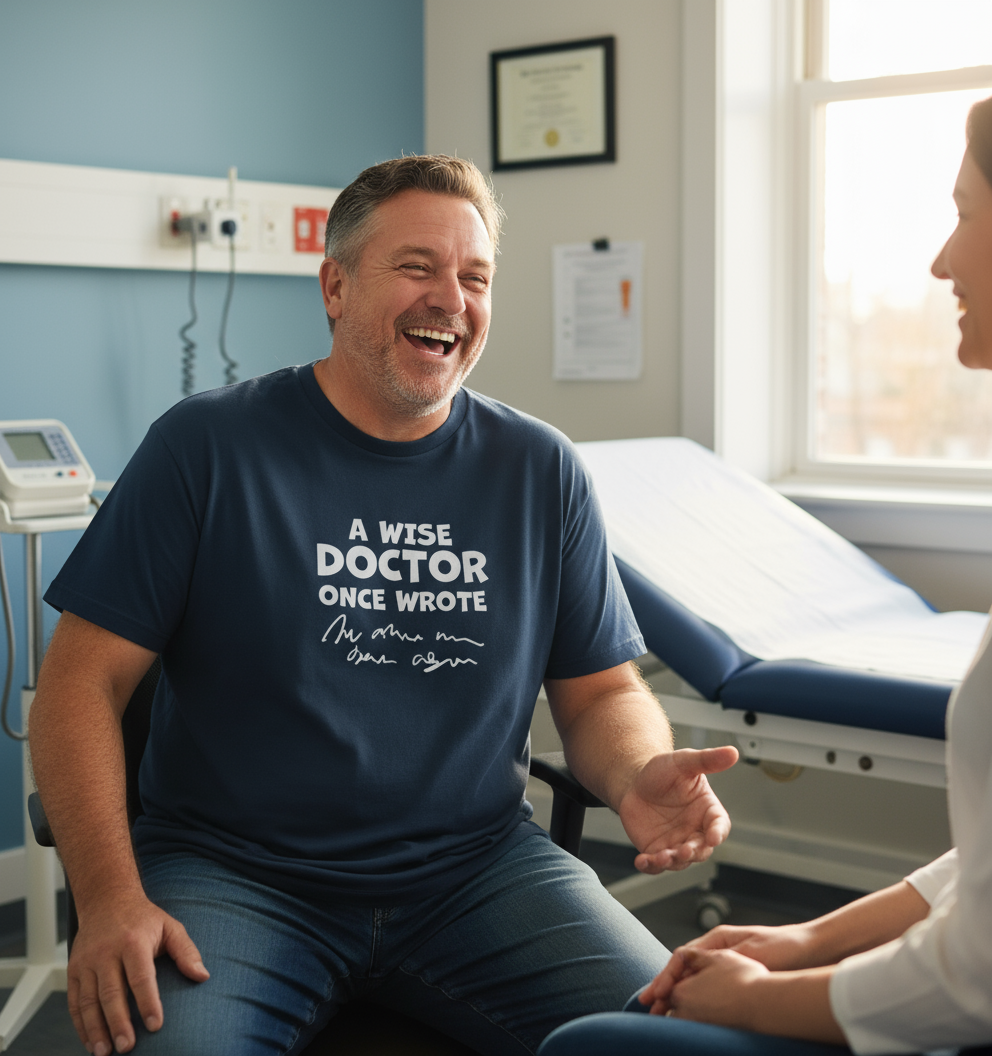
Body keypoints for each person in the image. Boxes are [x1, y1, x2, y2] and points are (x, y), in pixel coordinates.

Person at [28, 154, 740, 1056]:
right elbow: (78, 687)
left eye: (474, 276)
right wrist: (109, 899)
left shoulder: (539, 469)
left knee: (687, 1038)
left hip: (479, 873)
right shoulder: (206, 449)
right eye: (417, 267)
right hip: (236, 876)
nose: (451, 297)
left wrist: (639, 772)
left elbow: (601, 693)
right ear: (335, 285)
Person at [537, 97, 992, 1056]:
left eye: (964, 211)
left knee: (594, 1046)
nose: (941, 259)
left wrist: (757, 998)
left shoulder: (534, 467)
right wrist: (810, 937)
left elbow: (976, 977)